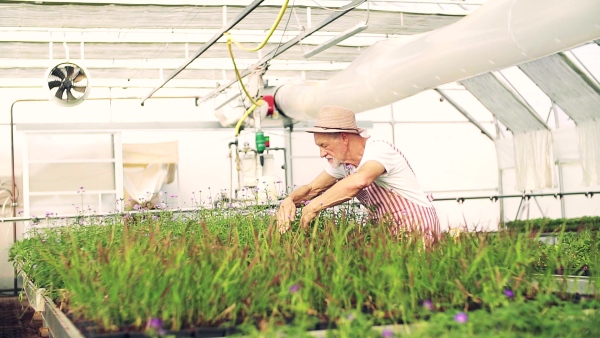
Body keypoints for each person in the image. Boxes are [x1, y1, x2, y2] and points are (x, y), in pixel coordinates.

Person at [276, 105, 440, 244]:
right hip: (386, 230)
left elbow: (360, 181)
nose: (321, 154)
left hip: (416, 226)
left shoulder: (378, 150)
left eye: (324, 145)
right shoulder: (343, 164)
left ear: (344, 137)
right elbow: (312, 189)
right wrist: (290, 200)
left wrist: (314, 207)